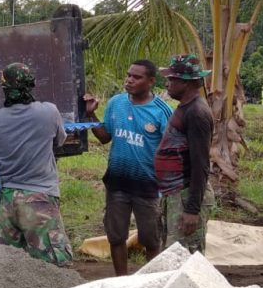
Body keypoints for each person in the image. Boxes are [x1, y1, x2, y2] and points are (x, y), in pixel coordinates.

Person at [0, 63, 73, 266]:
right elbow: (60, 140)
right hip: (39, 199)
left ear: (4, 88)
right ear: (31, 86)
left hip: (5, 201)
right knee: (53, 267)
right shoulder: (49, 113)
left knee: (10, 268)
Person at [84, 60, 173, 276]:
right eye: (128, 75)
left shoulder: (162, 112)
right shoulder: (116, 103)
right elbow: (105, 137)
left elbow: (171, 152)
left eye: (137, 77)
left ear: (151, 81)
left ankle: (151, 281)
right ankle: (121, 281)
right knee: (116, 236)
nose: (129, 80)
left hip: (148, 187)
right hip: (117, 185)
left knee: (150, 239)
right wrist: (90, 115)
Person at [155, 54, 215, 254]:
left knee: (186, 259)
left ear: (187, 83)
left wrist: (192, 209)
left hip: (186, 194)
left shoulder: (196, 113)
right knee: (173, 255)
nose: (167, 84)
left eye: (172, 79)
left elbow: (201, 164)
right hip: (176, 194)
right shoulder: (186, 108)